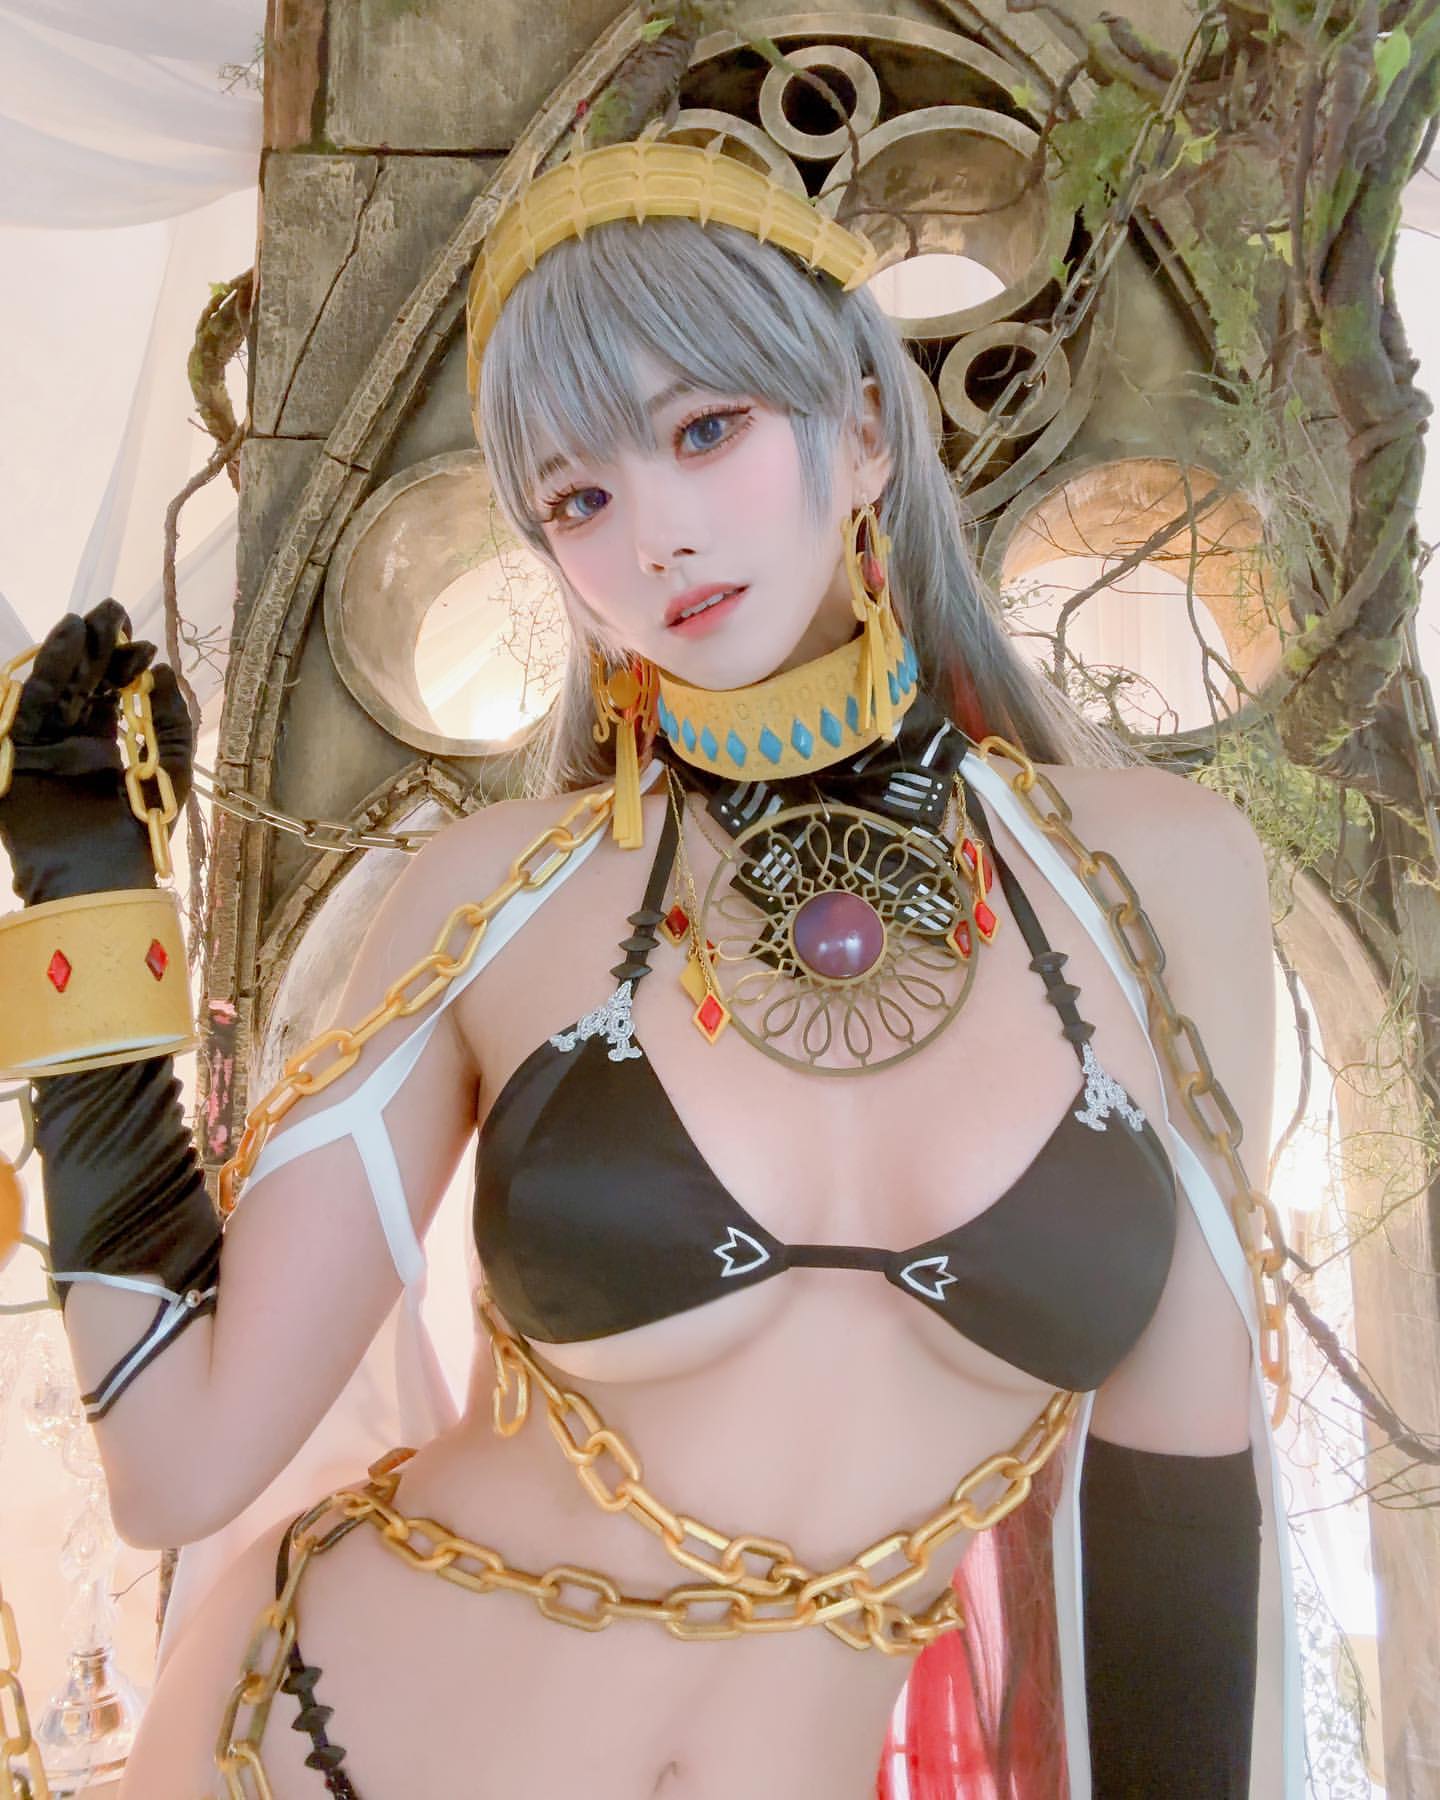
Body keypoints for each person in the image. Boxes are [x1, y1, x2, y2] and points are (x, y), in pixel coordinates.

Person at [0, 141, 1299, 1797]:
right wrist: (85, 892)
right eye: (580, 499)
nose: (658, 538)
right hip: (320, 1750)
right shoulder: (499, 898)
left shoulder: (1160, 880)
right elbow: (178, 1460)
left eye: (704, 430)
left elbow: (1182, 1498)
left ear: (863, 430)